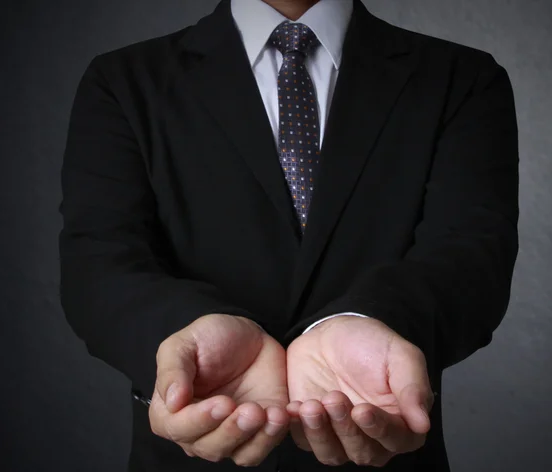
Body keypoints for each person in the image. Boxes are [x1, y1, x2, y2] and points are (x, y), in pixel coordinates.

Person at [58, 0, 519, 470]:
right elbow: (97, 263)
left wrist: (370, 319)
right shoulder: (122, 81)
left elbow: (472, 257)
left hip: (381, 450)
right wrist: (184, 338)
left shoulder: (462, 79)